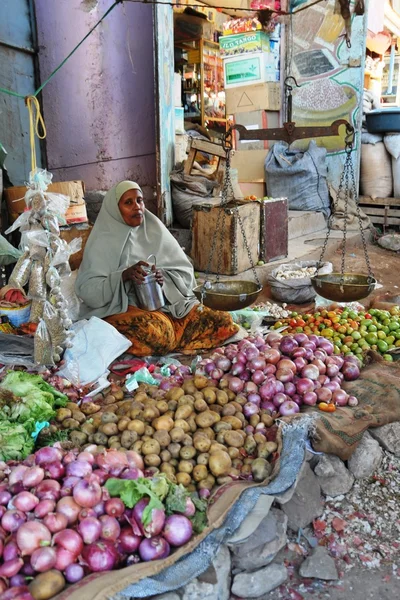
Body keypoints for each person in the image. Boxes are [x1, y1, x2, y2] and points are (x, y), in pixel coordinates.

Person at [75, 181, 238, 356]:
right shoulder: (101, 242)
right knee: (158, 334)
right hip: (125, 309)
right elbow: (88, 292)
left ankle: (172, 341)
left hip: (167, 305)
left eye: (139, 200)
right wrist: (123, 276)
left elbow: (184, 274)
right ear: (115, 209)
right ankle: (172, 340)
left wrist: (164, 279)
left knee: (222, 319)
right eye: (128, 203)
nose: (137, 207)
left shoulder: (154, 230)